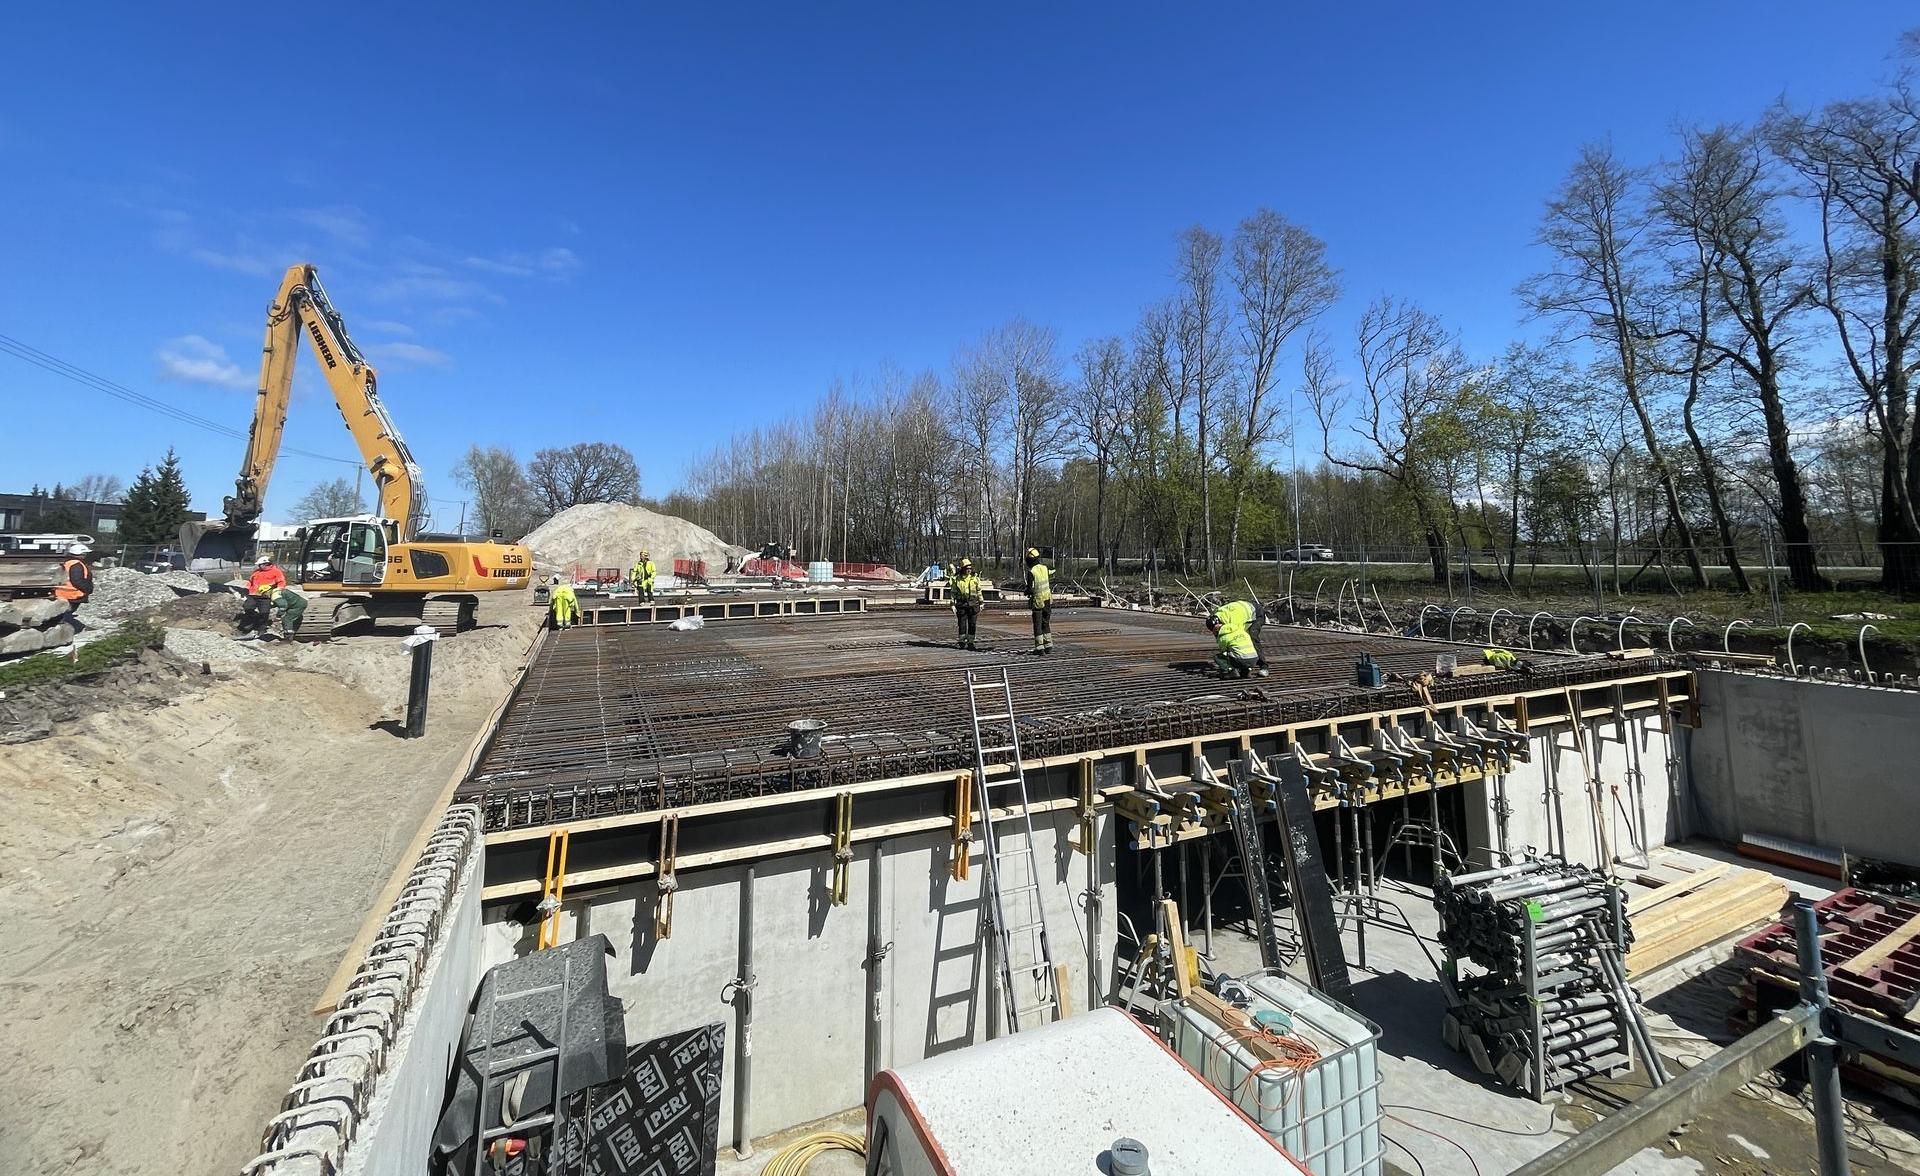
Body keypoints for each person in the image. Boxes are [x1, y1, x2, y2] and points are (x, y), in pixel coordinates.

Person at [1214, 599, 1269, 675]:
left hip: (1257, 614)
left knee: (1252, 637)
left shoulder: (1234, 620)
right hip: (1245, 611)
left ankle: (1264, 667)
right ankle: (1244, 667)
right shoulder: (1220, 615)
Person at [1207, 611, 1262, 679]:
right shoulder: (1241, 631)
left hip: (1241, 660)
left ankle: (1232, 671)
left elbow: (1224, 652)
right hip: (1254, 659)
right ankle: (1246, 671)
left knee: (1219, 657)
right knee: (1240, 652)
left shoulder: (1223, 637)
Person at [950, 558, 983, 650]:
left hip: (973, 604)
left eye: (970, 568)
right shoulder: (957, 579)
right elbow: (953, 592)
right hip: (961, 604)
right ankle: (962, 642)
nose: (969, 570)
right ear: (963, 569)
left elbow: (979, 591)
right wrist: (952, 604)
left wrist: (981, 602)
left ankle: (971, 642)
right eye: (967, 568)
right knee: (962, 624)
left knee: (972, 624)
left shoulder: (975, 578)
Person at [1024, 547, 1053, 654]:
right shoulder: (1045, 568)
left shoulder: (1032, 572)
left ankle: (1039, 648)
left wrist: (1026, 592)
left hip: (1037, 601)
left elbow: (1030, 589)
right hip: (1047, 600)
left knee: (1037, 625)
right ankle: (1048, 646)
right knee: (1045, 623)